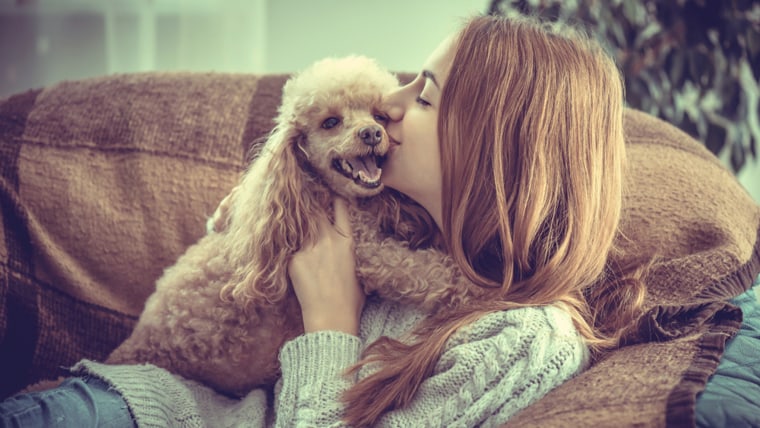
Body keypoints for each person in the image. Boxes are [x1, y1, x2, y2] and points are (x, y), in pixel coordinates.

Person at [0, 14, 645, 427]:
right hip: (135, 406)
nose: (387, 104)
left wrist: (330, 318)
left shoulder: (517, 343)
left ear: (495, 146)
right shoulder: (407, 226)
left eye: (421, 94)